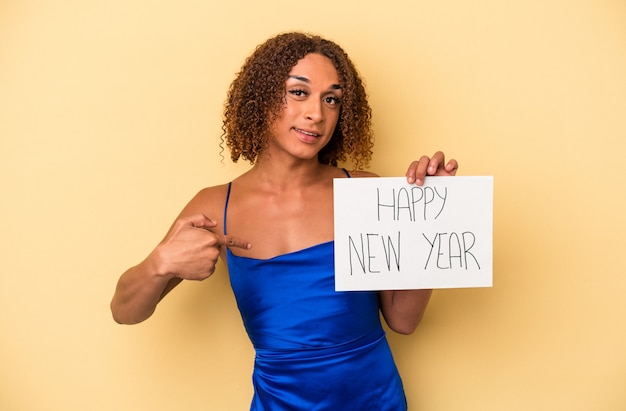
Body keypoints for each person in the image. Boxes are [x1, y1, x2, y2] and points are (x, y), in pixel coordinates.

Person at [111, 32, 458, 410]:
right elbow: (125, 312)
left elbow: (403, 320)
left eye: (331, 99)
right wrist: (160, 264)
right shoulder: (215, 206)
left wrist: (429, 220)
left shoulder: (363, 190)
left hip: (375, 399)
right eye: (298, 92)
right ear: (261, 99)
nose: (317, 113)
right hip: (281, 402)